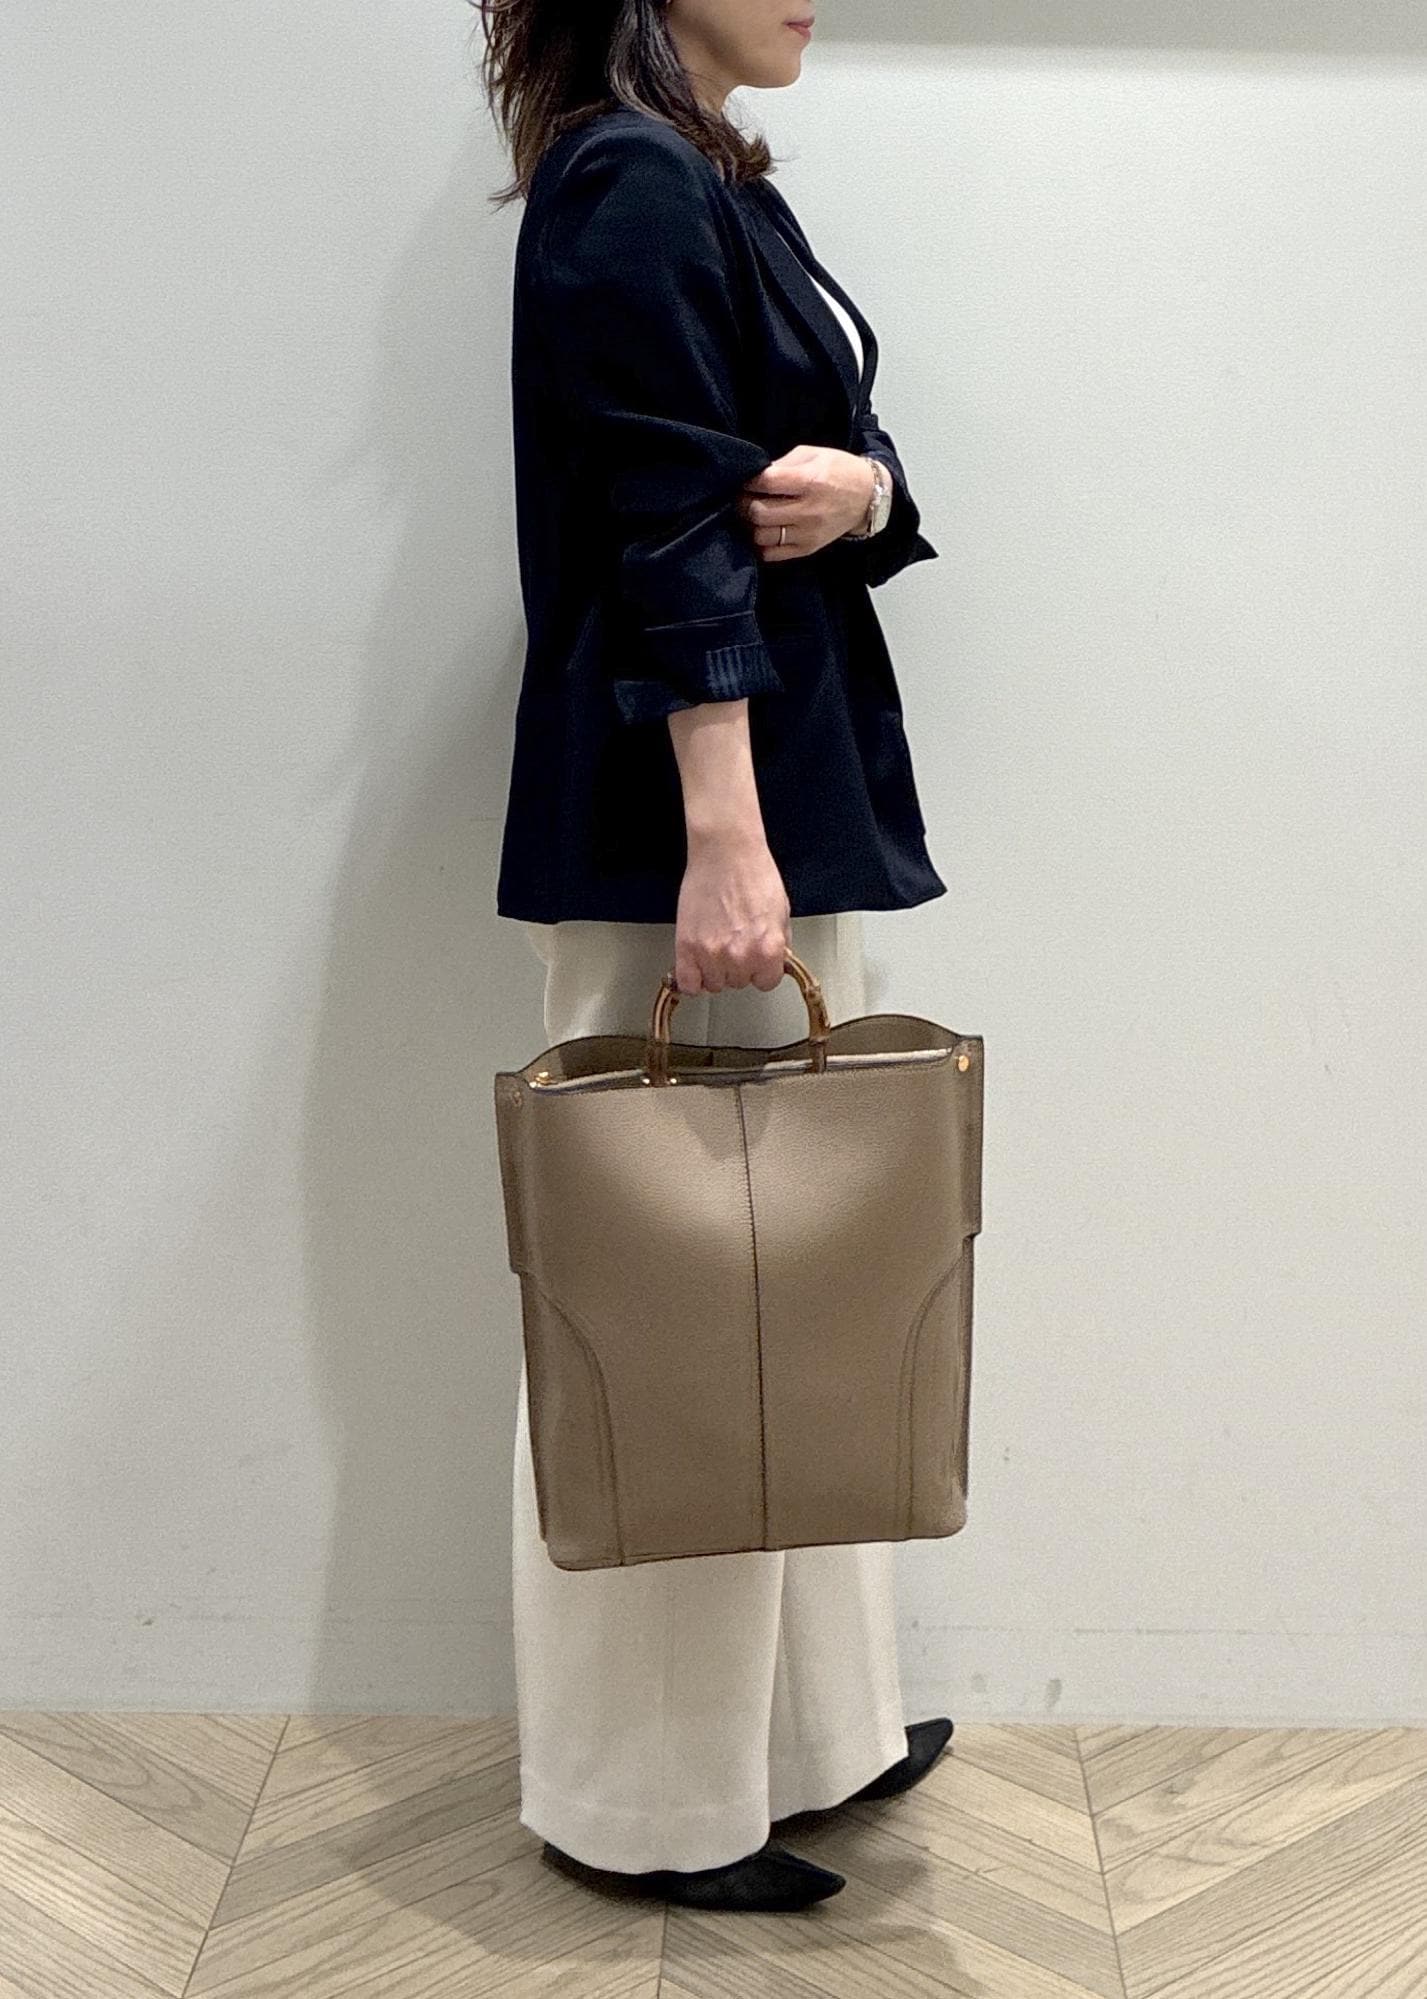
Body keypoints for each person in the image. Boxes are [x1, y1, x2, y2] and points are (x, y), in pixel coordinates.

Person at [474, 0, 955, 1912]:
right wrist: (725, 835)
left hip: (764, 796)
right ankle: (645, 1807)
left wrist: (871, 492)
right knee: (662, 1313)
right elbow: (666, 523)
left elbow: (818, 463)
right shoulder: (629, 181)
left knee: (799, 1281)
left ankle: (815, 1739)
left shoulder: (711, 174)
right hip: (691, 821)